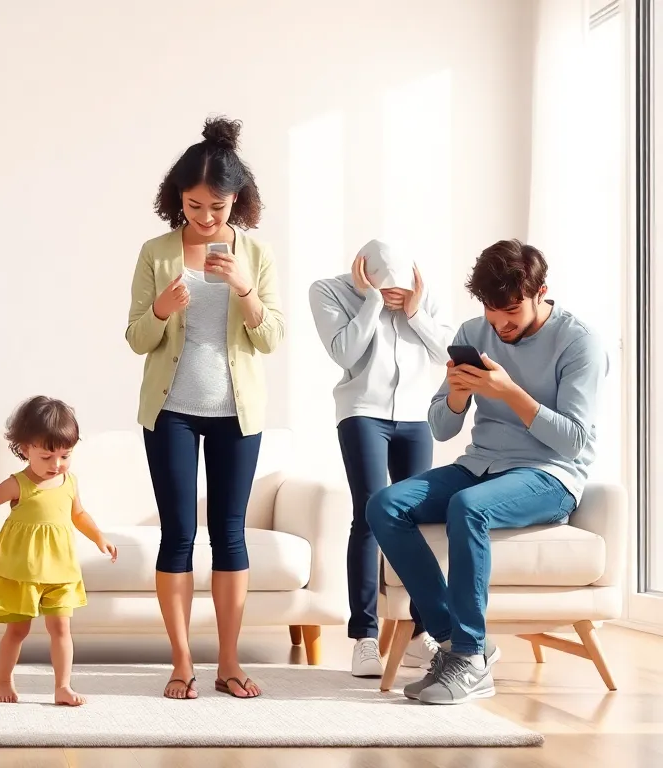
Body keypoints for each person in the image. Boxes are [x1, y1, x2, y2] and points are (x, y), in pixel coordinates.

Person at [367, 240, 607, 705]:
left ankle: (471, 657)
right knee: (386, 504)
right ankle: (458, 645)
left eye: (512, 311)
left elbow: (576, 439)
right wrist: (457, 394)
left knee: (468, 507)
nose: (501, 325)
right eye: (492, 313)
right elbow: (441, 426)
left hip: (549, 475)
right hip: (480, 465)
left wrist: (510, 391)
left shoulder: (580, 343)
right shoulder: (475, 332)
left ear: (541, 291)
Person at [125, 116, 285, 700]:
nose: (205, 218)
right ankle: (182, 663)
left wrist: (244, 288)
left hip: (236, 415)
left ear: (235, 199)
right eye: (193, 206)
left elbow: (271, 339)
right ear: (178, 199)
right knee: (177, 535)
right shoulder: (157, 253)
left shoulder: (257, 254)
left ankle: (230, 663)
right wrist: (163, 309)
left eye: (216, 207)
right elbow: (136, 338)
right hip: (170, 413)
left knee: (231, 534)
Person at [308, 239, 453, 677]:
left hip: (416, 418)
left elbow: (447, 354)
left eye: (400, 290)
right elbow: (345, 354)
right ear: (366, 274)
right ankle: (365, 638)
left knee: (421, 521)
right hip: (361, 414)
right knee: (369, 515)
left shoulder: (422, 296)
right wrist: (370, 302)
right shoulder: (328, 291)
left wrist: (415, 312)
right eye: (384, 288)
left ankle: (416, 636)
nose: (394, 296)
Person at [0, 396, 118, 707]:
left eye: (65, 455)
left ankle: (63, 686)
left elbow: (79, 515)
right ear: (25, 449)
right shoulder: (18, 484)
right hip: (22, 570)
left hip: (61, 569)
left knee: (61, 628)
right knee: (18, 630)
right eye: (47, 456)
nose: (56, 465)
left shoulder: (69, 482)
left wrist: (98, 538)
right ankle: (3, 679)